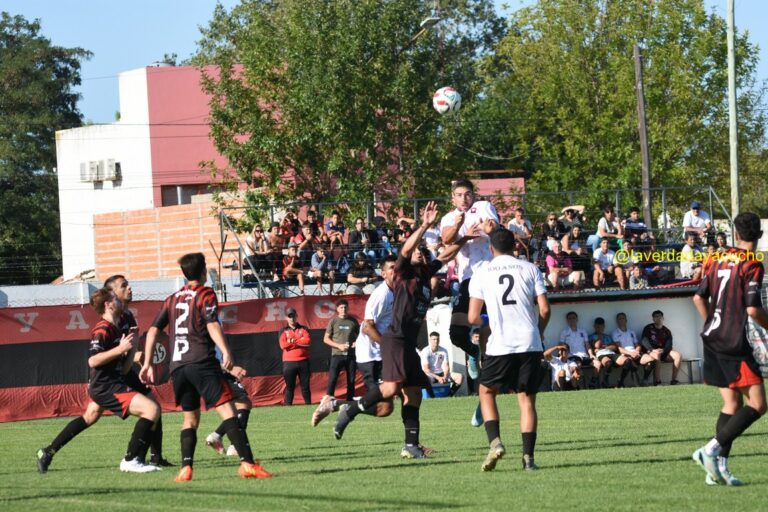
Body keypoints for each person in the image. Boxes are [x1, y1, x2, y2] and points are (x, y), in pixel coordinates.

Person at [331, 201, 472, 459]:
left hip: (408, 343)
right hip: (394, 340)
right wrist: (425, 225)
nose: (419, 252)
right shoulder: (403, 273)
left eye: (422, 250)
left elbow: (447, 254)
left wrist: (465, 238)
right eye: (417, 250)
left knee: (415, 393)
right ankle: (349, 411)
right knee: (391, 390)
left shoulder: (425, 276)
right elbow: (406, 249)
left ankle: (411, 445)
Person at [140, 252, 272, 481]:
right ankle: (248, 464)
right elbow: (211, 324)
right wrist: (227, 351)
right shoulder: (205, 294)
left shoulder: (171, 298)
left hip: (178, 367)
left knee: (190, 419)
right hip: (201, 361)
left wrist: (148, 363)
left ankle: (186, 467)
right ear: (203, 271)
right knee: (229, 411)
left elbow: (152, 331)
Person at [36, 275, 171, 474]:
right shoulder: (105, 326)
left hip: (116, 374)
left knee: (98, 415)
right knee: (147, 409)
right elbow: (97, 358)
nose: (129, 288)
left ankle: (153, 457)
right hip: (108, 380)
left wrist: (133, 354)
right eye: (124, 286)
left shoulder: (125, 318)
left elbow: (123, 358)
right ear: (111, 298)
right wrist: (128, 352)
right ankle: (135, 458)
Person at [692, 212, 768, 486]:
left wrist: (712, 323)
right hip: (733, 343)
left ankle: (718, 469)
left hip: (711, 338)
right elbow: (752, 309)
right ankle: (710, 450)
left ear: (735, 235)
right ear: (758, 236)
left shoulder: (715, 258)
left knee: (732, 404)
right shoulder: (752, 264)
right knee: (759, 404)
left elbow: (697, 297)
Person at [468, 228, 551, 471]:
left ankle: (495, 443)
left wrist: (488, 324)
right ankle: (528, 460)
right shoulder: (530, 269)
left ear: (490, 248)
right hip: (529, 342)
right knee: (526, 401)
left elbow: (473, 316)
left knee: (486, 392)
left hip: (500, 344)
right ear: (515, 246)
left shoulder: (481, 273)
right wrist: (540, 331)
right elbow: (545, 309)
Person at [311, 255, 399, 427]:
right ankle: (336, 404)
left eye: (398, 268)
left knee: (399, 399)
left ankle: (412, 442)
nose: (396, 271)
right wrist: (387, 346)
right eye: (392, 268)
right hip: (370, 355)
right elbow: (367, 327)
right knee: (384, 407)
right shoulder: (381, 295)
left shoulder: (395, 291)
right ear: (383, 274)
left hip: (381, 354)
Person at [80, 288, 161, 472]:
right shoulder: (102, 329)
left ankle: (137, 459)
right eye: (115, 298)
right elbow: (92, 360)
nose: (119, 300)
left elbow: (124, 369)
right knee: (151, 409)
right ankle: (131, 459)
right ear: (108, 305)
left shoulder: (116, 329)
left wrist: (131, 347)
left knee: (153, 410)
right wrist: (120, 349)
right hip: (105, 387)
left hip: (114, 384)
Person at [439, 179, 499, 360]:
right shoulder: (449, 218)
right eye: (459, 195)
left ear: (473, 195)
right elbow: (446, 239)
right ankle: (475, 352)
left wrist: (489, 229)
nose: (464, 199)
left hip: (490, 275)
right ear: (453, 198)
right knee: (456, 334)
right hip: (468, 278)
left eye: (467, 194)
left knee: (494, 328)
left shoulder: (483, 206)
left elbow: (494, 227)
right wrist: (460, 228)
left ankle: (491, 362)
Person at [205, 355, 252, 458]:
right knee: (243, 404)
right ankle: (232, 444)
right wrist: (229, 368)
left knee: (235, 407)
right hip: (220, 373)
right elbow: (208, 358)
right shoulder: (211, 340)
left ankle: (218, 437)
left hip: (216, 373)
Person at [322, 299, 360, 402]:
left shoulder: (353, 321)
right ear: (337, 309)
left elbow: (362, 336)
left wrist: (357, 342)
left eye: (345, 307)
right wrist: (338, 346)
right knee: (333, 379)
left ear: (348, 308)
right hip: (337, 355)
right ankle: (328, 401)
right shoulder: (333, 321)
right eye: (341, 308)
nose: (343, 309)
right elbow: (325, 339)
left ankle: (350, 401)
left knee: (351, 380)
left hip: (351, 355)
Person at [279, 307, 312, 405]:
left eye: (293, 316)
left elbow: (308, 342)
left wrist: (292, 341)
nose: (292, 318)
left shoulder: (304, 329)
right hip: (289, 363)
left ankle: (308, 407)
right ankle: (288, 408)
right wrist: (299, 340)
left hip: (303, 361)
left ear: (297, 316)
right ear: (286, 318)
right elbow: (283, 345)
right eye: (290, 316)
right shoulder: (283, 330)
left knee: (305, 386)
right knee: (290, 387)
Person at [639, 310, 682, 385]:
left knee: (678, 355)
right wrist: (652, 350)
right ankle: (658, 381)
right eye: (656, 316)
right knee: (656, 355)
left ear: (663, 318)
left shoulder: (667, 331)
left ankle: (674, 380)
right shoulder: (648, 328)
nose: (658, 318)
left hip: (664, 352)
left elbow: (669, 344)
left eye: (660, 316)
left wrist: (663, 350)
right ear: (653, 319)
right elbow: (644, 340)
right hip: (651, 352)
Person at [612, 312, 653, 387]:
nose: (621, 320)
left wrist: (637, 351)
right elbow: (620, 349)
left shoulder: (631, 332)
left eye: (623, 318)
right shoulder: (615, 332)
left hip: (635, 353)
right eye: (619, 318)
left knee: (650, 359)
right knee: (630, 363)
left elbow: (637, 345)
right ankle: (620, 383)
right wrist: (631, 354)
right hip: (625, 354)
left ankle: (645, 380)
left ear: (626, 320)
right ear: (617, 321)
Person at [589, 317, 617, 388]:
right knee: (609, 363)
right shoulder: (591, 337)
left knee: (625, 361)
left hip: (610, 353)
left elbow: (614, 347)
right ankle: (599, 382)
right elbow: (596, 346)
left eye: (601, 326)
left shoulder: (607, 336)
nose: (599, 328)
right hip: (599, 355)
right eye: (597, 326)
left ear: (604, 326)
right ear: (594, 326)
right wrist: (599, 337)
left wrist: (605, 347)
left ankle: (605, 382)